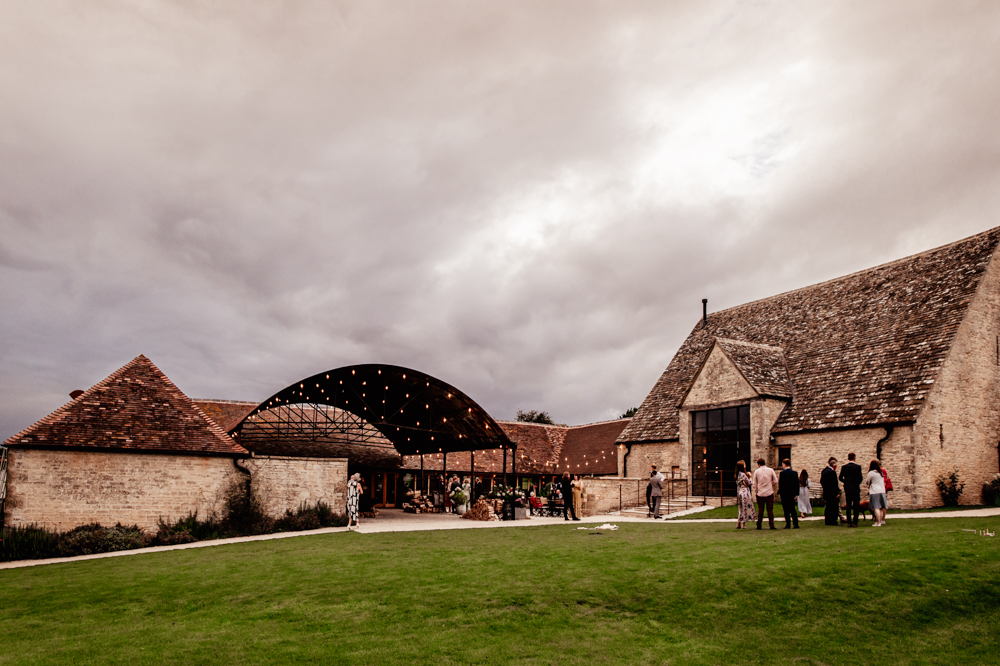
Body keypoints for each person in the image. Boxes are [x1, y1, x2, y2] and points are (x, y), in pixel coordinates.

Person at [752, 458, 778, 530]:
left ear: (759, 464)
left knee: (761, 510)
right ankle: (771, 524)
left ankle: (759, 524)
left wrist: (756, 490)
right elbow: (775, 480)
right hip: (769, 492)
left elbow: (754, 483)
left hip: (760, 493)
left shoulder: (757, 472)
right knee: (770, 509)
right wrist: (770, 483)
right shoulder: (770, 470)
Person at [839, 453, 864, 527]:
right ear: (854, 458)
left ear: (848, 458)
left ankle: (849, 522)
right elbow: (860, 478)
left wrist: (846, 482)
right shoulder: (858, 467)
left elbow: (840, 477)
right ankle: (855, 522)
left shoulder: (844, 467)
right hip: (855, 488)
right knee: (856, 506)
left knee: (848, 505)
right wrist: (856, 483)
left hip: (848, 488)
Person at [778, 458, 800, 529]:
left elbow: (781, 484)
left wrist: (780, 493)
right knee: (793, 509)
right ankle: (795, 524)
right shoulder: (794, 473)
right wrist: (796, 494)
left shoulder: (782, 473)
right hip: (792, 494)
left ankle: (788, 524)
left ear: (784, 464)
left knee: (786, 510)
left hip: (785, 494)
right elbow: (797, 484)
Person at [735, 460, 756, 530]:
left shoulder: (737, 474)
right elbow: (749, 483)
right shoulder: (743, 474)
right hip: (745, 492)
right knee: (745, 508)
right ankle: (743, 524)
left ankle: (738, 523)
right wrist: (750, 477)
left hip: (739, 492)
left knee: (740, 508)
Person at [867, 459, 887, 527]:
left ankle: (878, 522)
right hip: (882, 491)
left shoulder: (871, 473)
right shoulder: (881, 472)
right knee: (881, 507)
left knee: (876, 507)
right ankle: (880, 521)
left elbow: (867, 482)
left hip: (875, 491)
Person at [820, 457, 840, 525]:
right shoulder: (832, 472)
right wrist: (837, 492)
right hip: (832, 493)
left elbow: (821, 481)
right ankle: (833, 520)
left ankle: (827, 520)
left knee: (828, 506)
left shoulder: (824, 471)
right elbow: (834, 484)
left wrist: (825, 488)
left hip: (826, 492)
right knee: (834, 507)